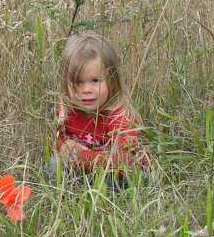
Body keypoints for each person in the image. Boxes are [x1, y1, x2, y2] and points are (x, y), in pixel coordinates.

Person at [51, 32, 149, 185]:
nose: (86, 90)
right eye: (78, 82)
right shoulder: (68, 111)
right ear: (66, 84)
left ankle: (99, 201)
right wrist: (64, 146)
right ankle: (73, 198)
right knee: (53, 165)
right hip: (88, 171)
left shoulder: (119, 116)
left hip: (122, 174)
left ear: (112, 81)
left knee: (114, 182)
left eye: (95, 81)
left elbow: (126, 161)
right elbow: (59, 141)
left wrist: (83, 156)